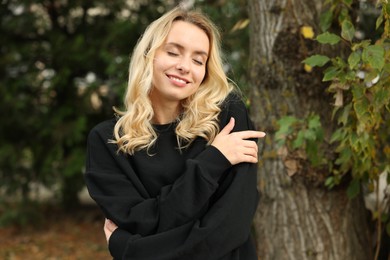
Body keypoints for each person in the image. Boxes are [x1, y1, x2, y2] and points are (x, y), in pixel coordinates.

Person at [84, 6, 266, 260]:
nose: (184, 66)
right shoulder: (109, 141)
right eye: (173, 52)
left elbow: (228, 229)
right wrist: (215, 159)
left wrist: (133, 251)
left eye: (198, 60)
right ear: (148, 55)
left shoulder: (227, 117)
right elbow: (138, 222)